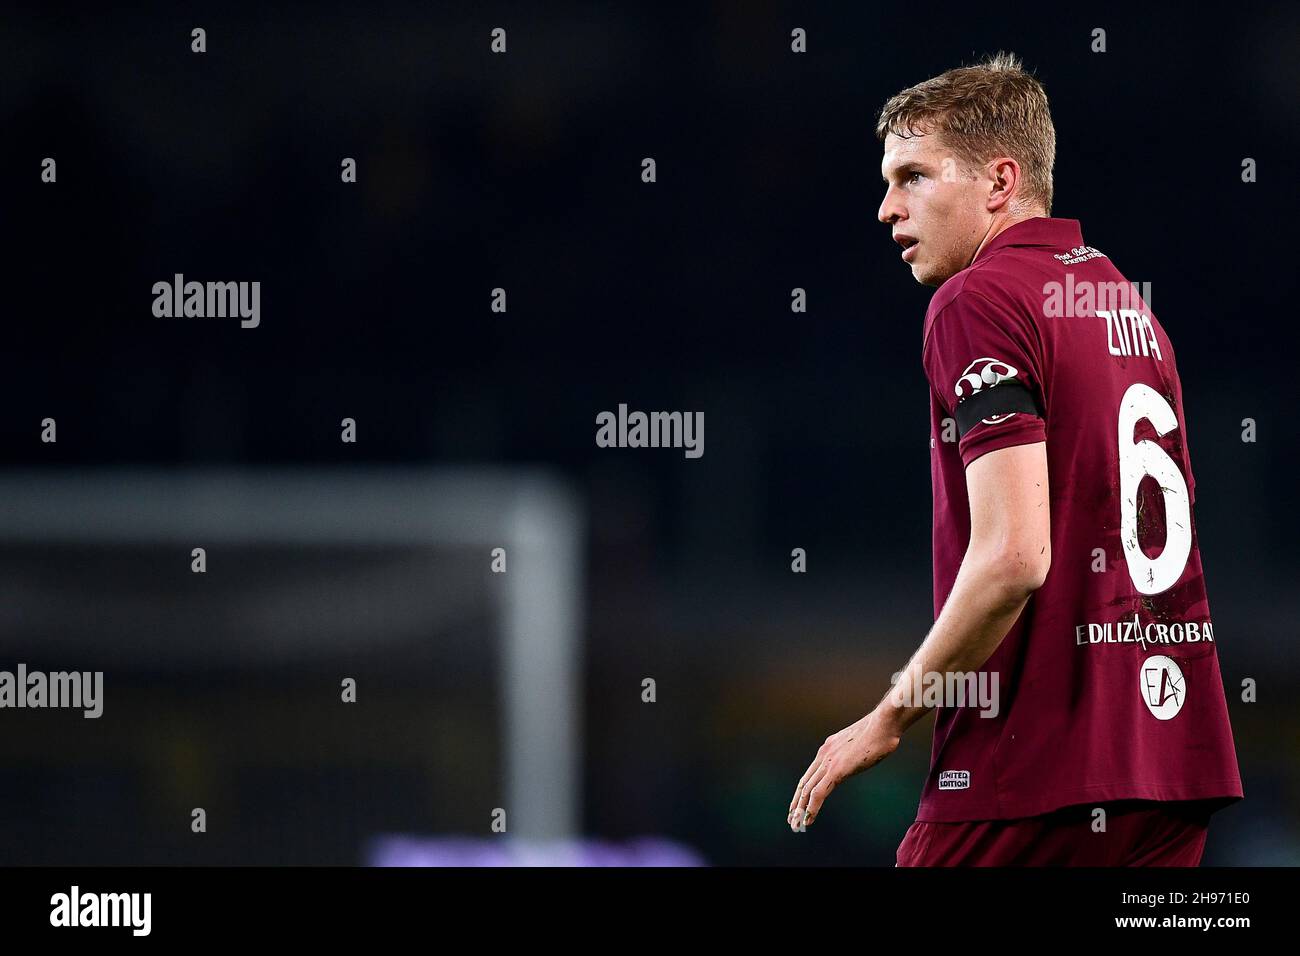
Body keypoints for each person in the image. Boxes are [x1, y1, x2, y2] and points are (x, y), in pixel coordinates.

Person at [787, 51, 1243, 866]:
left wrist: (889, 716)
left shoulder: (977, 299)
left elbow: (1014, 558)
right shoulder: (1119, 298)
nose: (887, 209)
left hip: (1033, 771)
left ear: (999, 182)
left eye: (914, 177)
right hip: (1167, 764)